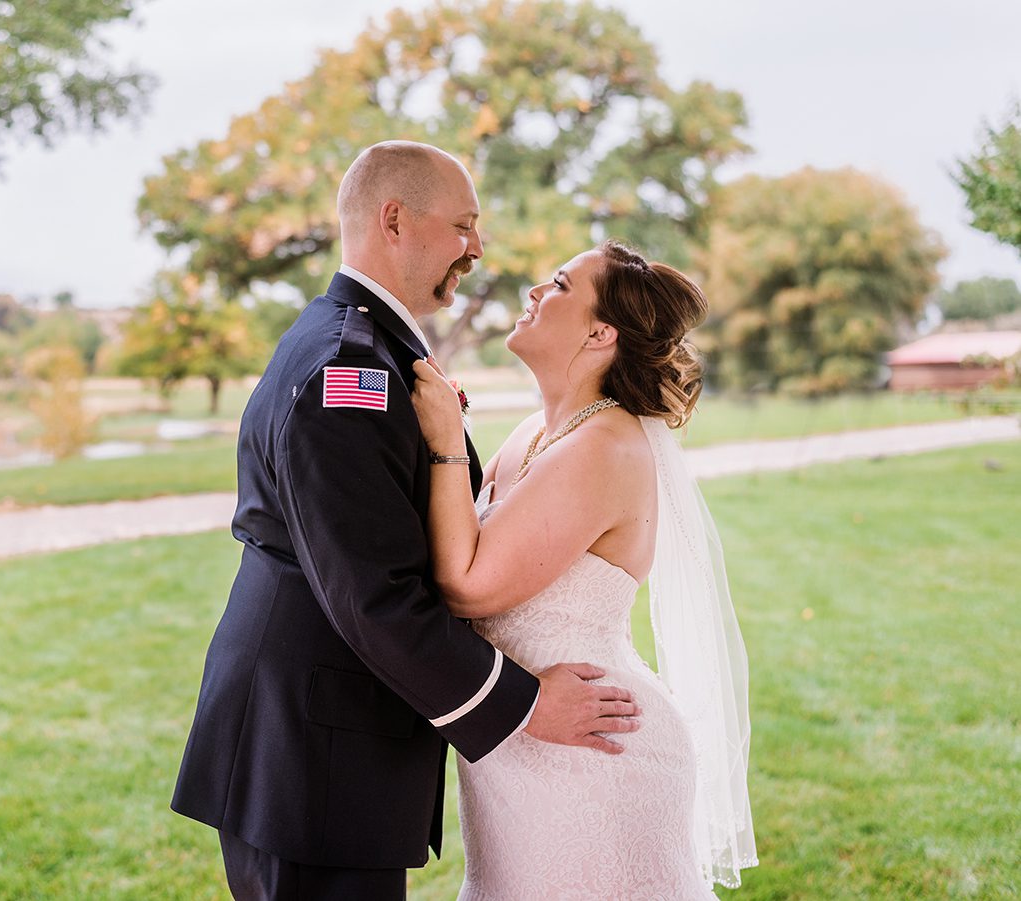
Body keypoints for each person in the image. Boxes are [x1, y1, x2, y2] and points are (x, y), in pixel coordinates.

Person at [171, 142, 641, 899]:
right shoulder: (347, 371)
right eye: (463, 226)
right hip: (311, 753)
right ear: (394, 221)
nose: (478, 250)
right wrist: (523, 704)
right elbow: (373, 595)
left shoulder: (359, 345)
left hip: (315, 741)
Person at [410, 239, 758, 898]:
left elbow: (466, 583)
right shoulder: (531, 435)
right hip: (525, 748)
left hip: (595, 755)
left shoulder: (605, 445)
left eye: (560, 283)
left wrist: (446, 442)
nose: (535, 291)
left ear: (601, 332)